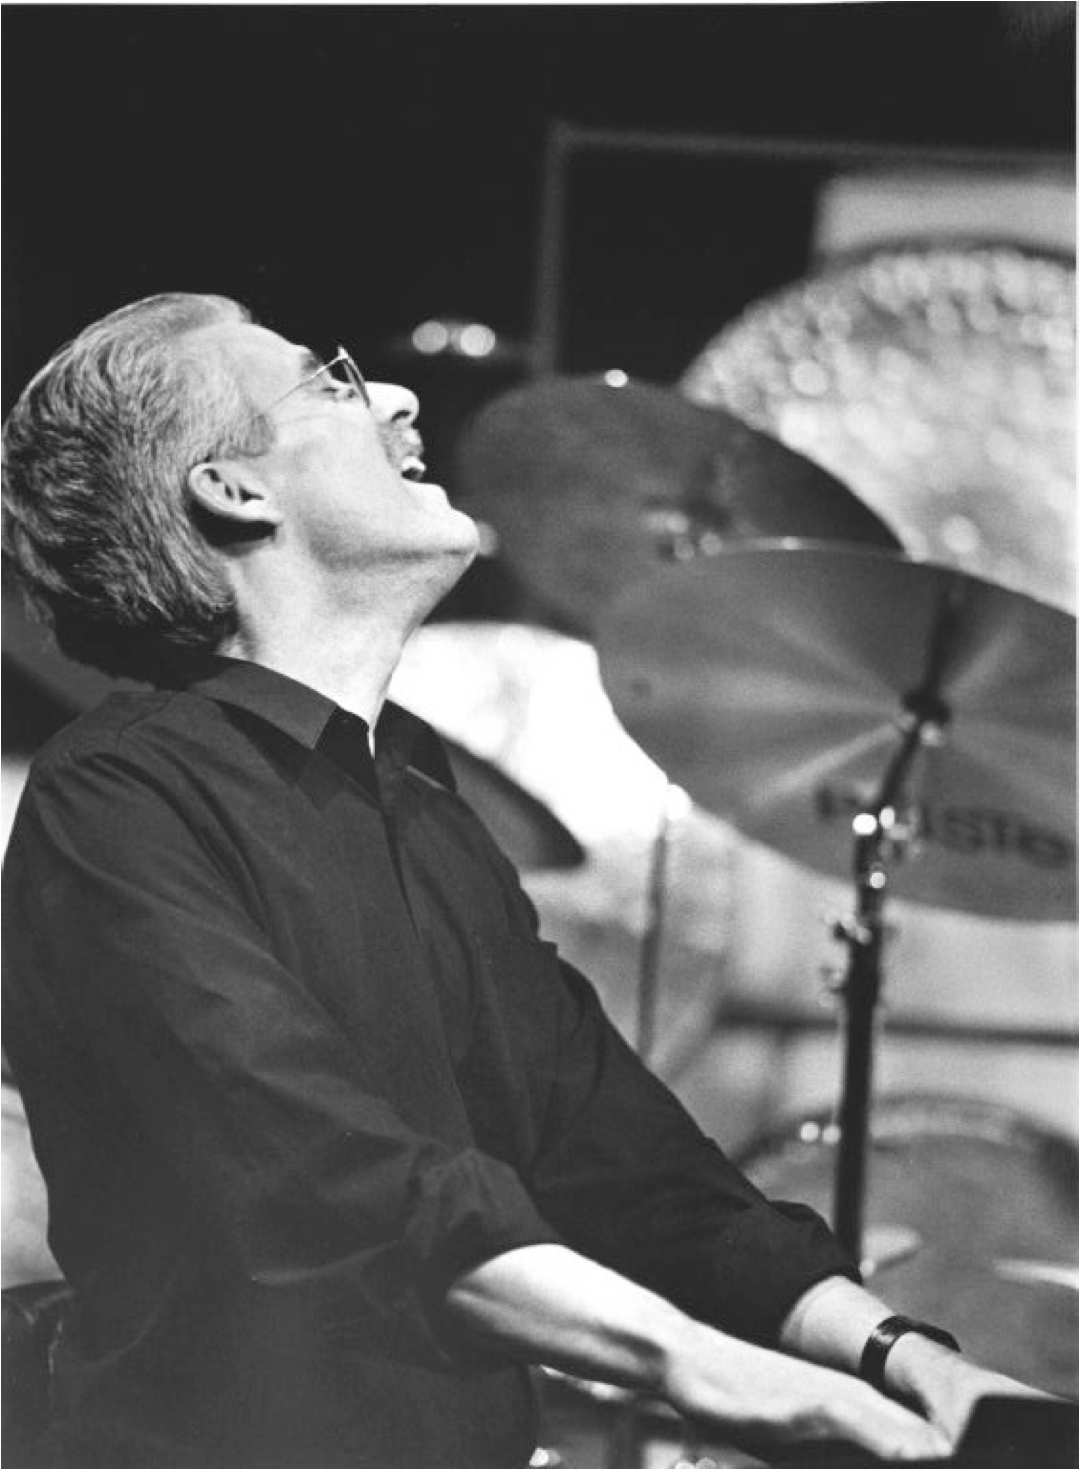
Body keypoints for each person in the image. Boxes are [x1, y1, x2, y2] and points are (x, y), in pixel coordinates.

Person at [0, 293, 1033, 1469]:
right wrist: (701, 1366)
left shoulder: (418, 804)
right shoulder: (119, 797)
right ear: (233, 489)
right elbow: (318, 1177)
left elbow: (624, 1163)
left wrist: (903, 1356)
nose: (398, 398)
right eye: (331, 383)